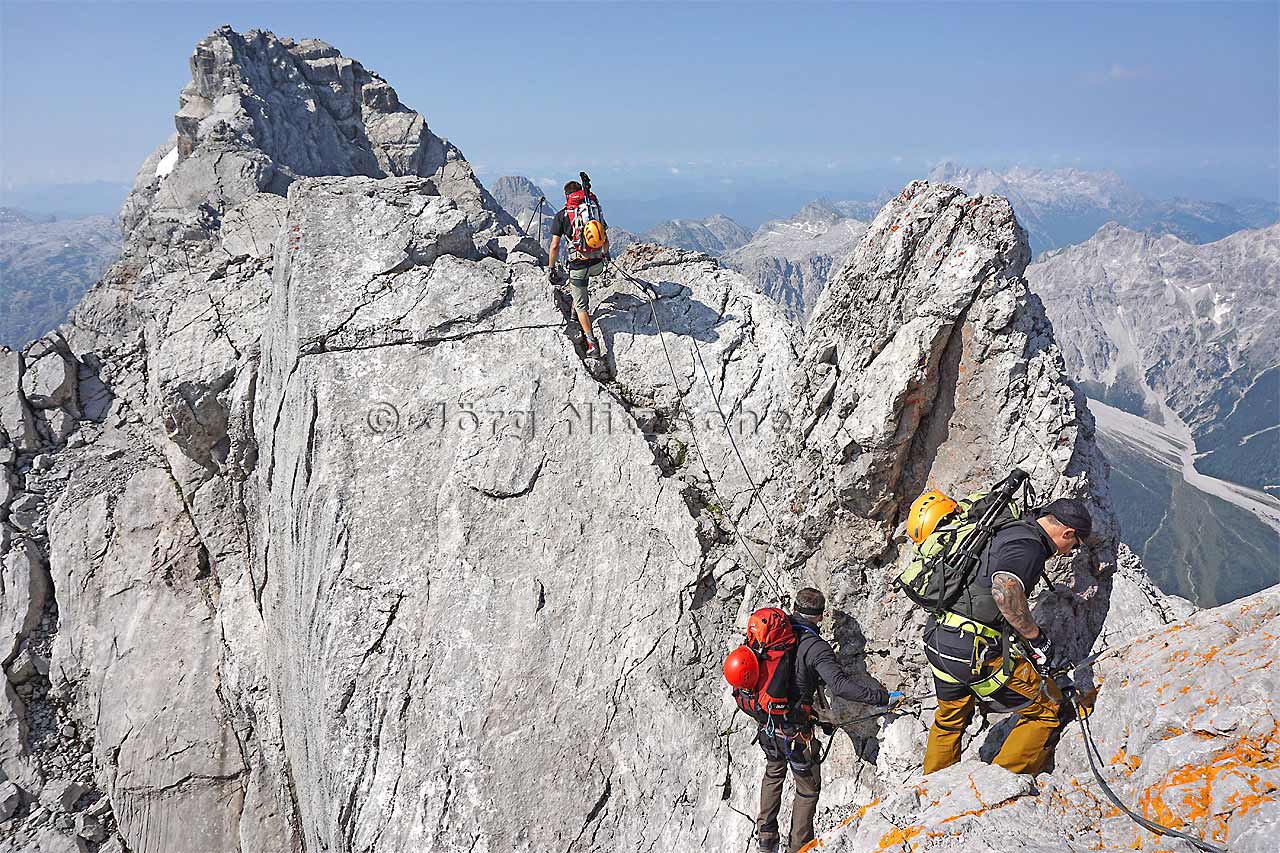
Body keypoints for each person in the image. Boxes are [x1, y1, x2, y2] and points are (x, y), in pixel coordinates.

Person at [921, 497, 1093, 776]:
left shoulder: (1010, 529)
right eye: (1074, 546)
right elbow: (1005, 591)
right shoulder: (1030, 547)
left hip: (941, 639)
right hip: (971, 650)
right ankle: (998, 789)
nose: (1070, 552)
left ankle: (932, 793)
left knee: (950, 718)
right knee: (1046, 710)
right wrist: (1037, 638)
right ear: (1068, 533)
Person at [756, 587, 900, 853]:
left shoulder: (775, 633)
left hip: (767, 722)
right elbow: (841, 686)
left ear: (795, 608)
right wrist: (881, 697)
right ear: (820, 617)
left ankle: (766, 838)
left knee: (773, 772)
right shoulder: (817, 648)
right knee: (807, 789)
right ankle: (799, 848)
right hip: (795, 731)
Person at [548, 179, 609, 356]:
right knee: (579, 289)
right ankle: (574, 313)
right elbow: (604, 238)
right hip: (598, 264)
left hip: (579, 266)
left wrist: (551, 268)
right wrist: (604, 255)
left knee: (583, 305)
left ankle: (592, 344)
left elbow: (554, 246)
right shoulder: (593, 211)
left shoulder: (562, 215)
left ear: (567, 196)